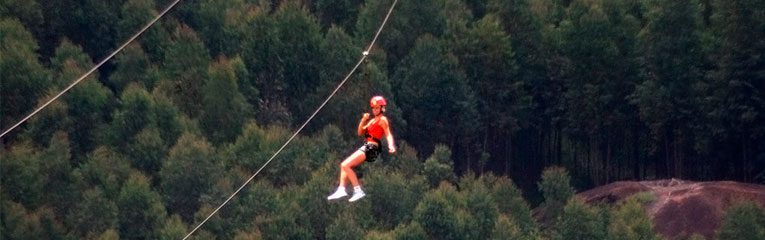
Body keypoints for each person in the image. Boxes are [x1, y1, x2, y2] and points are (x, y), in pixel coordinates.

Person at [327, 96, 396, 202]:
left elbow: (388, 134)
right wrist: (363, 120)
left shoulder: (383, 120)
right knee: (344, 165)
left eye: (377, 108)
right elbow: (360, 132)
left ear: (382, 108)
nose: (374, 110)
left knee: (345, 165)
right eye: (373, 108)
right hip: (367, 146)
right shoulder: (372, 121)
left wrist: (391, 145)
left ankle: (357, 190)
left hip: (372, 148)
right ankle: (341, 188)